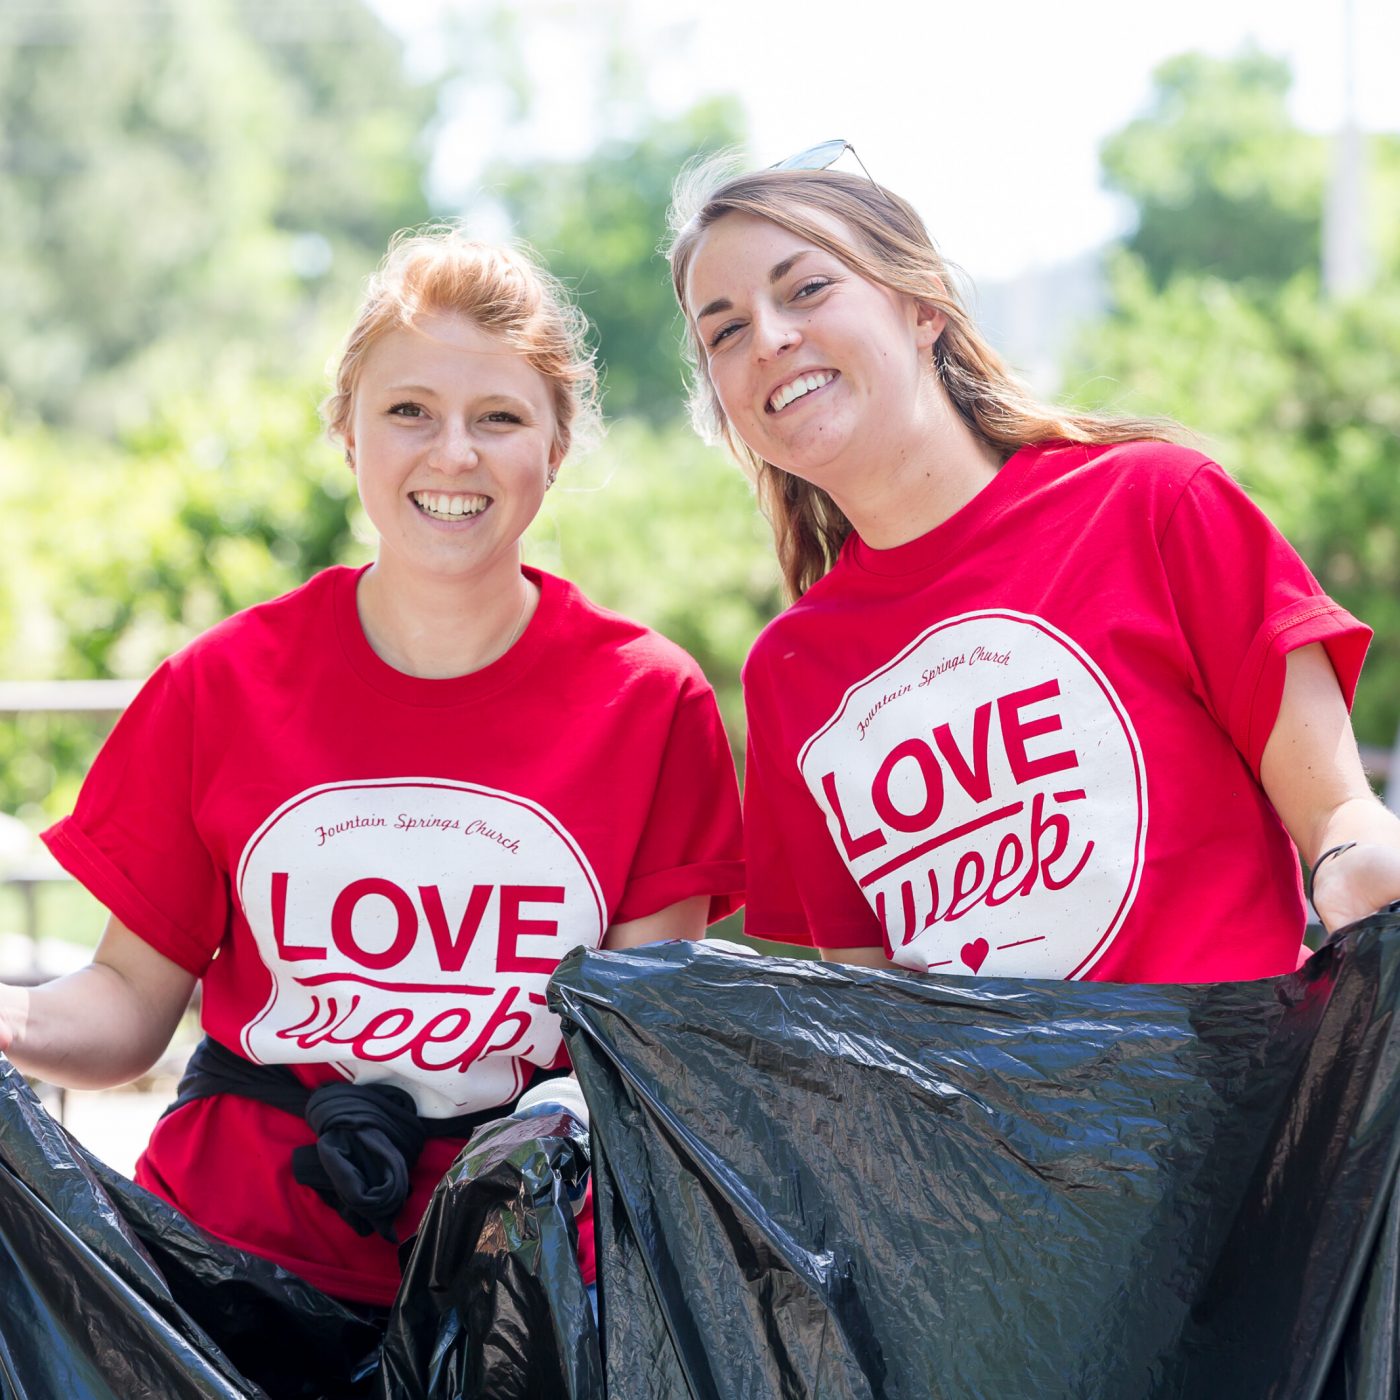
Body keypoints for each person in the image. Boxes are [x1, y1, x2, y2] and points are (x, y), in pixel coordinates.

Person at [0, 228, 745, 1308]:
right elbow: (126, 1000)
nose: (453, 454)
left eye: (498, 417)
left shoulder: (648, 701)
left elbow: (633, 1065)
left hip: (515, 1282)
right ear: (347, 433)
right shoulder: (222, 685)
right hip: (229, 1259)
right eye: (408, 411)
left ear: (555, 448)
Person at [665, 152, 1400, 982]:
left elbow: (1340, 811)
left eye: (806, 289)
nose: (769, 337)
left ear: (920, 308)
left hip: (1246, 1103)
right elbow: (874, 1022)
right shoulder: (788, 673)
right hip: (971, 1116)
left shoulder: (1155, 505)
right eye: (724, 330)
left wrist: (1360, 869)